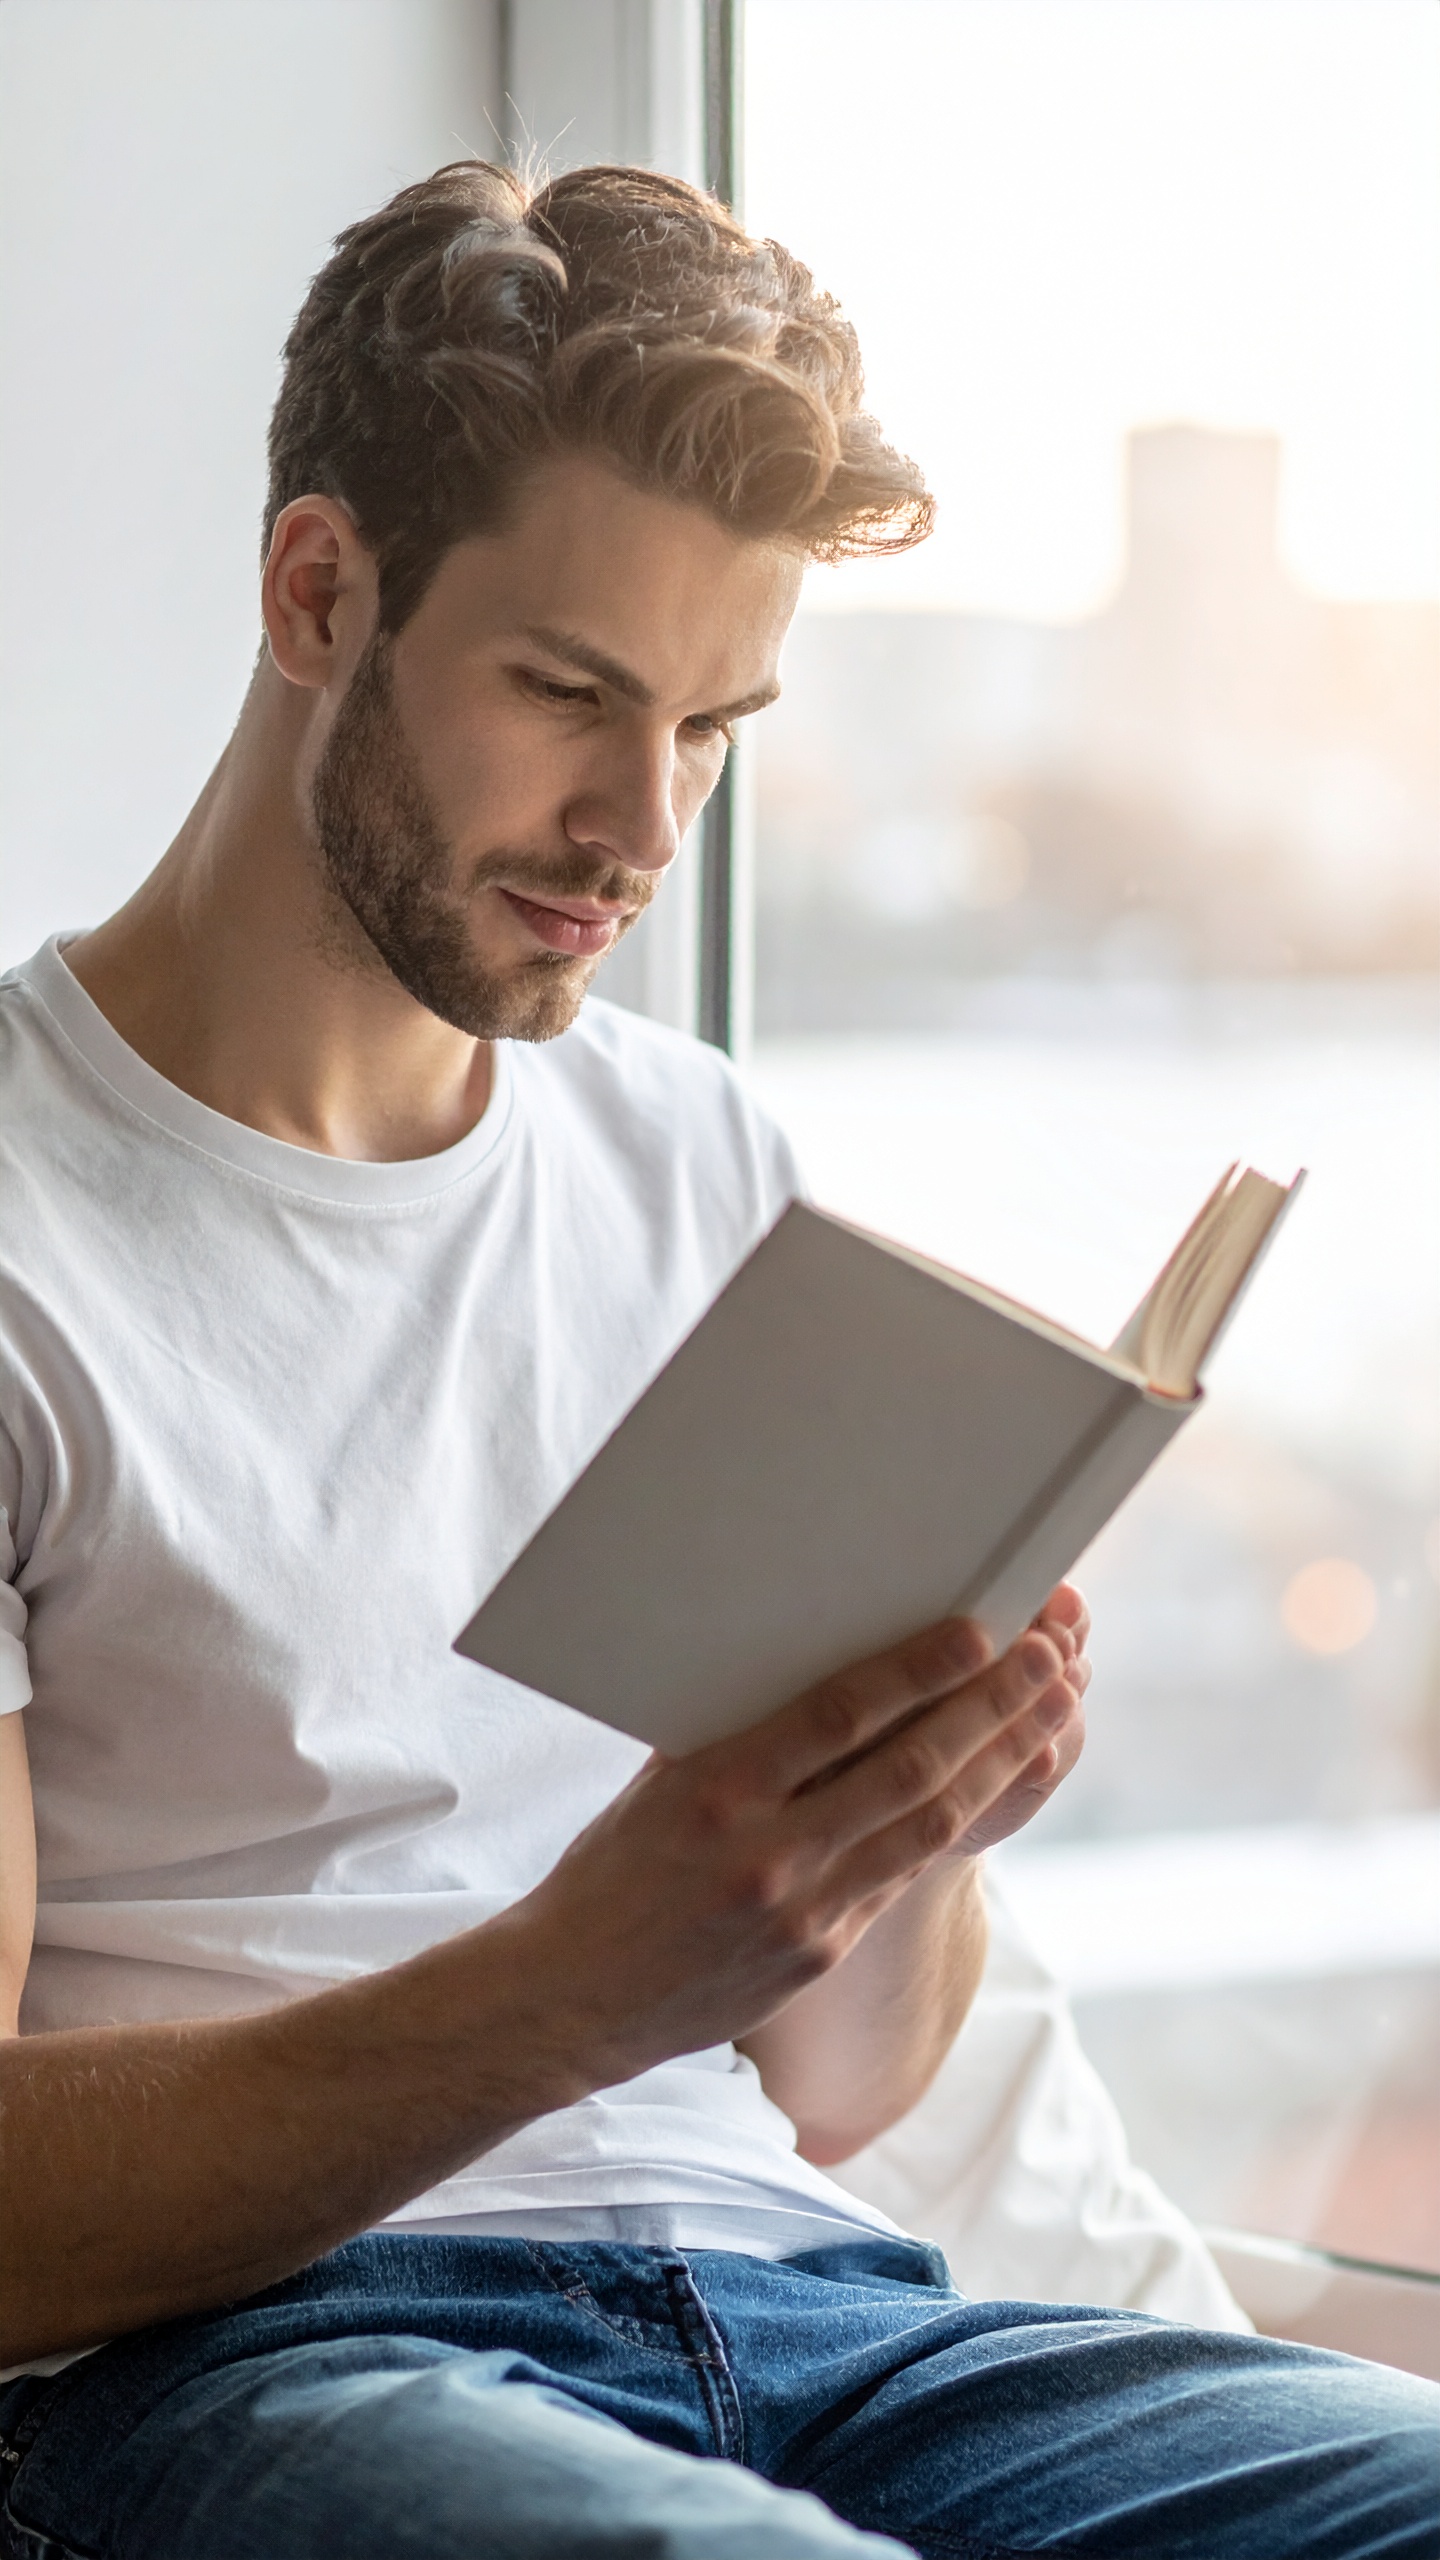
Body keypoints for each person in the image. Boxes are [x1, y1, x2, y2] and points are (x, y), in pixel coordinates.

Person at [0, 160, 1433, 2560]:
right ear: (317, 590)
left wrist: (894, 1835)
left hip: (823, 2312)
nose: (639, 825)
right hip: (258, 2355)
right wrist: (578, 1976)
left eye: (717, 725)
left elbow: (848, 2080)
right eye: (570, 693)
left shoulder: (697, 1162)